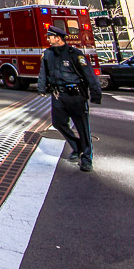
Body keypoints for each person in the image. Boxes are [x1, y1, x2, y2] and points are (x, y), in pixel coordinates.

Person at [37, 25, 103, 172]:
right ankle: (77, 145)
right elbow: (43, 72)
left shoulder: (75, 54)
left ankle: (86, 159)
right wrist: (41, 88)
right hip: (58, 95)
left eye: (50, 37)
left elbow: (89, 74)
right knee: (58, 123)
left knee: (83, 128)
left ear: (58, 38)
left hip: (76, 96)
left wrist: (96, 93)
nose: (48, 39)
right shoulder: (48, 54)